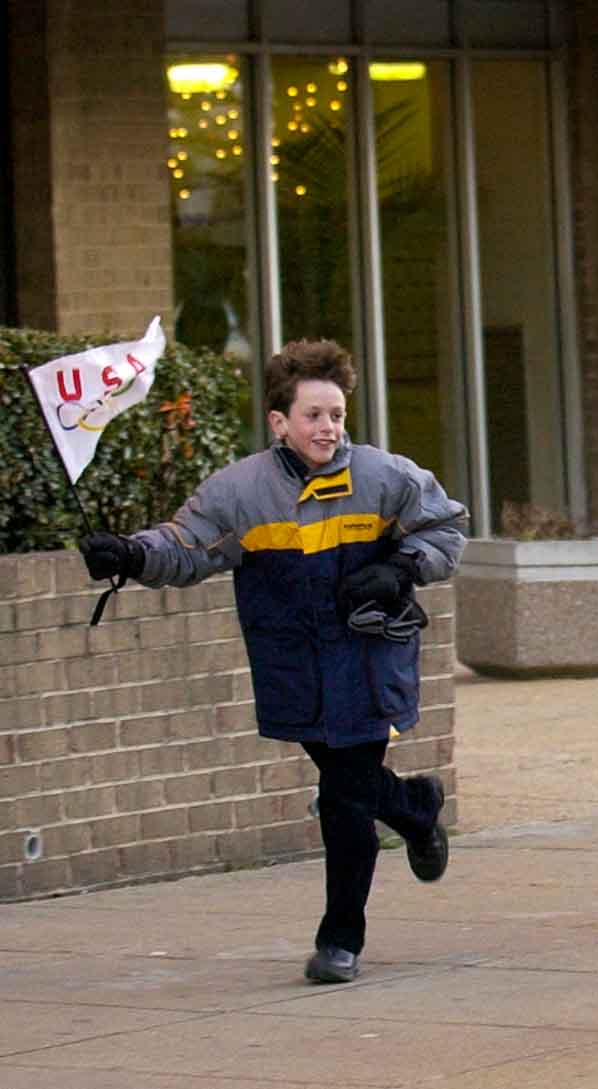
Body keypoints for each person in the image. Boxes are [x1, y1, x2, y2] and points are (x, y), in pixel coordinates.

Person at [77, 339, 465, 984]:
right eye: (313, 416)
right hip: (292, 663)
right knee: (350, 785)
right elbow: (186, 545)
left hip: (368, 655)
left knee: (342, 798)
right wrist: (128, 554)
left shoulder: (384, 476)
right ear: (279, 422)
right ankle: (414, 809)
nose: (328, 428)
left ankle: (340, 940)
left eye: (337, 414)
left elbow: (445, 530)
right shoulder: (240, 491)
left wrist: (398, 567)